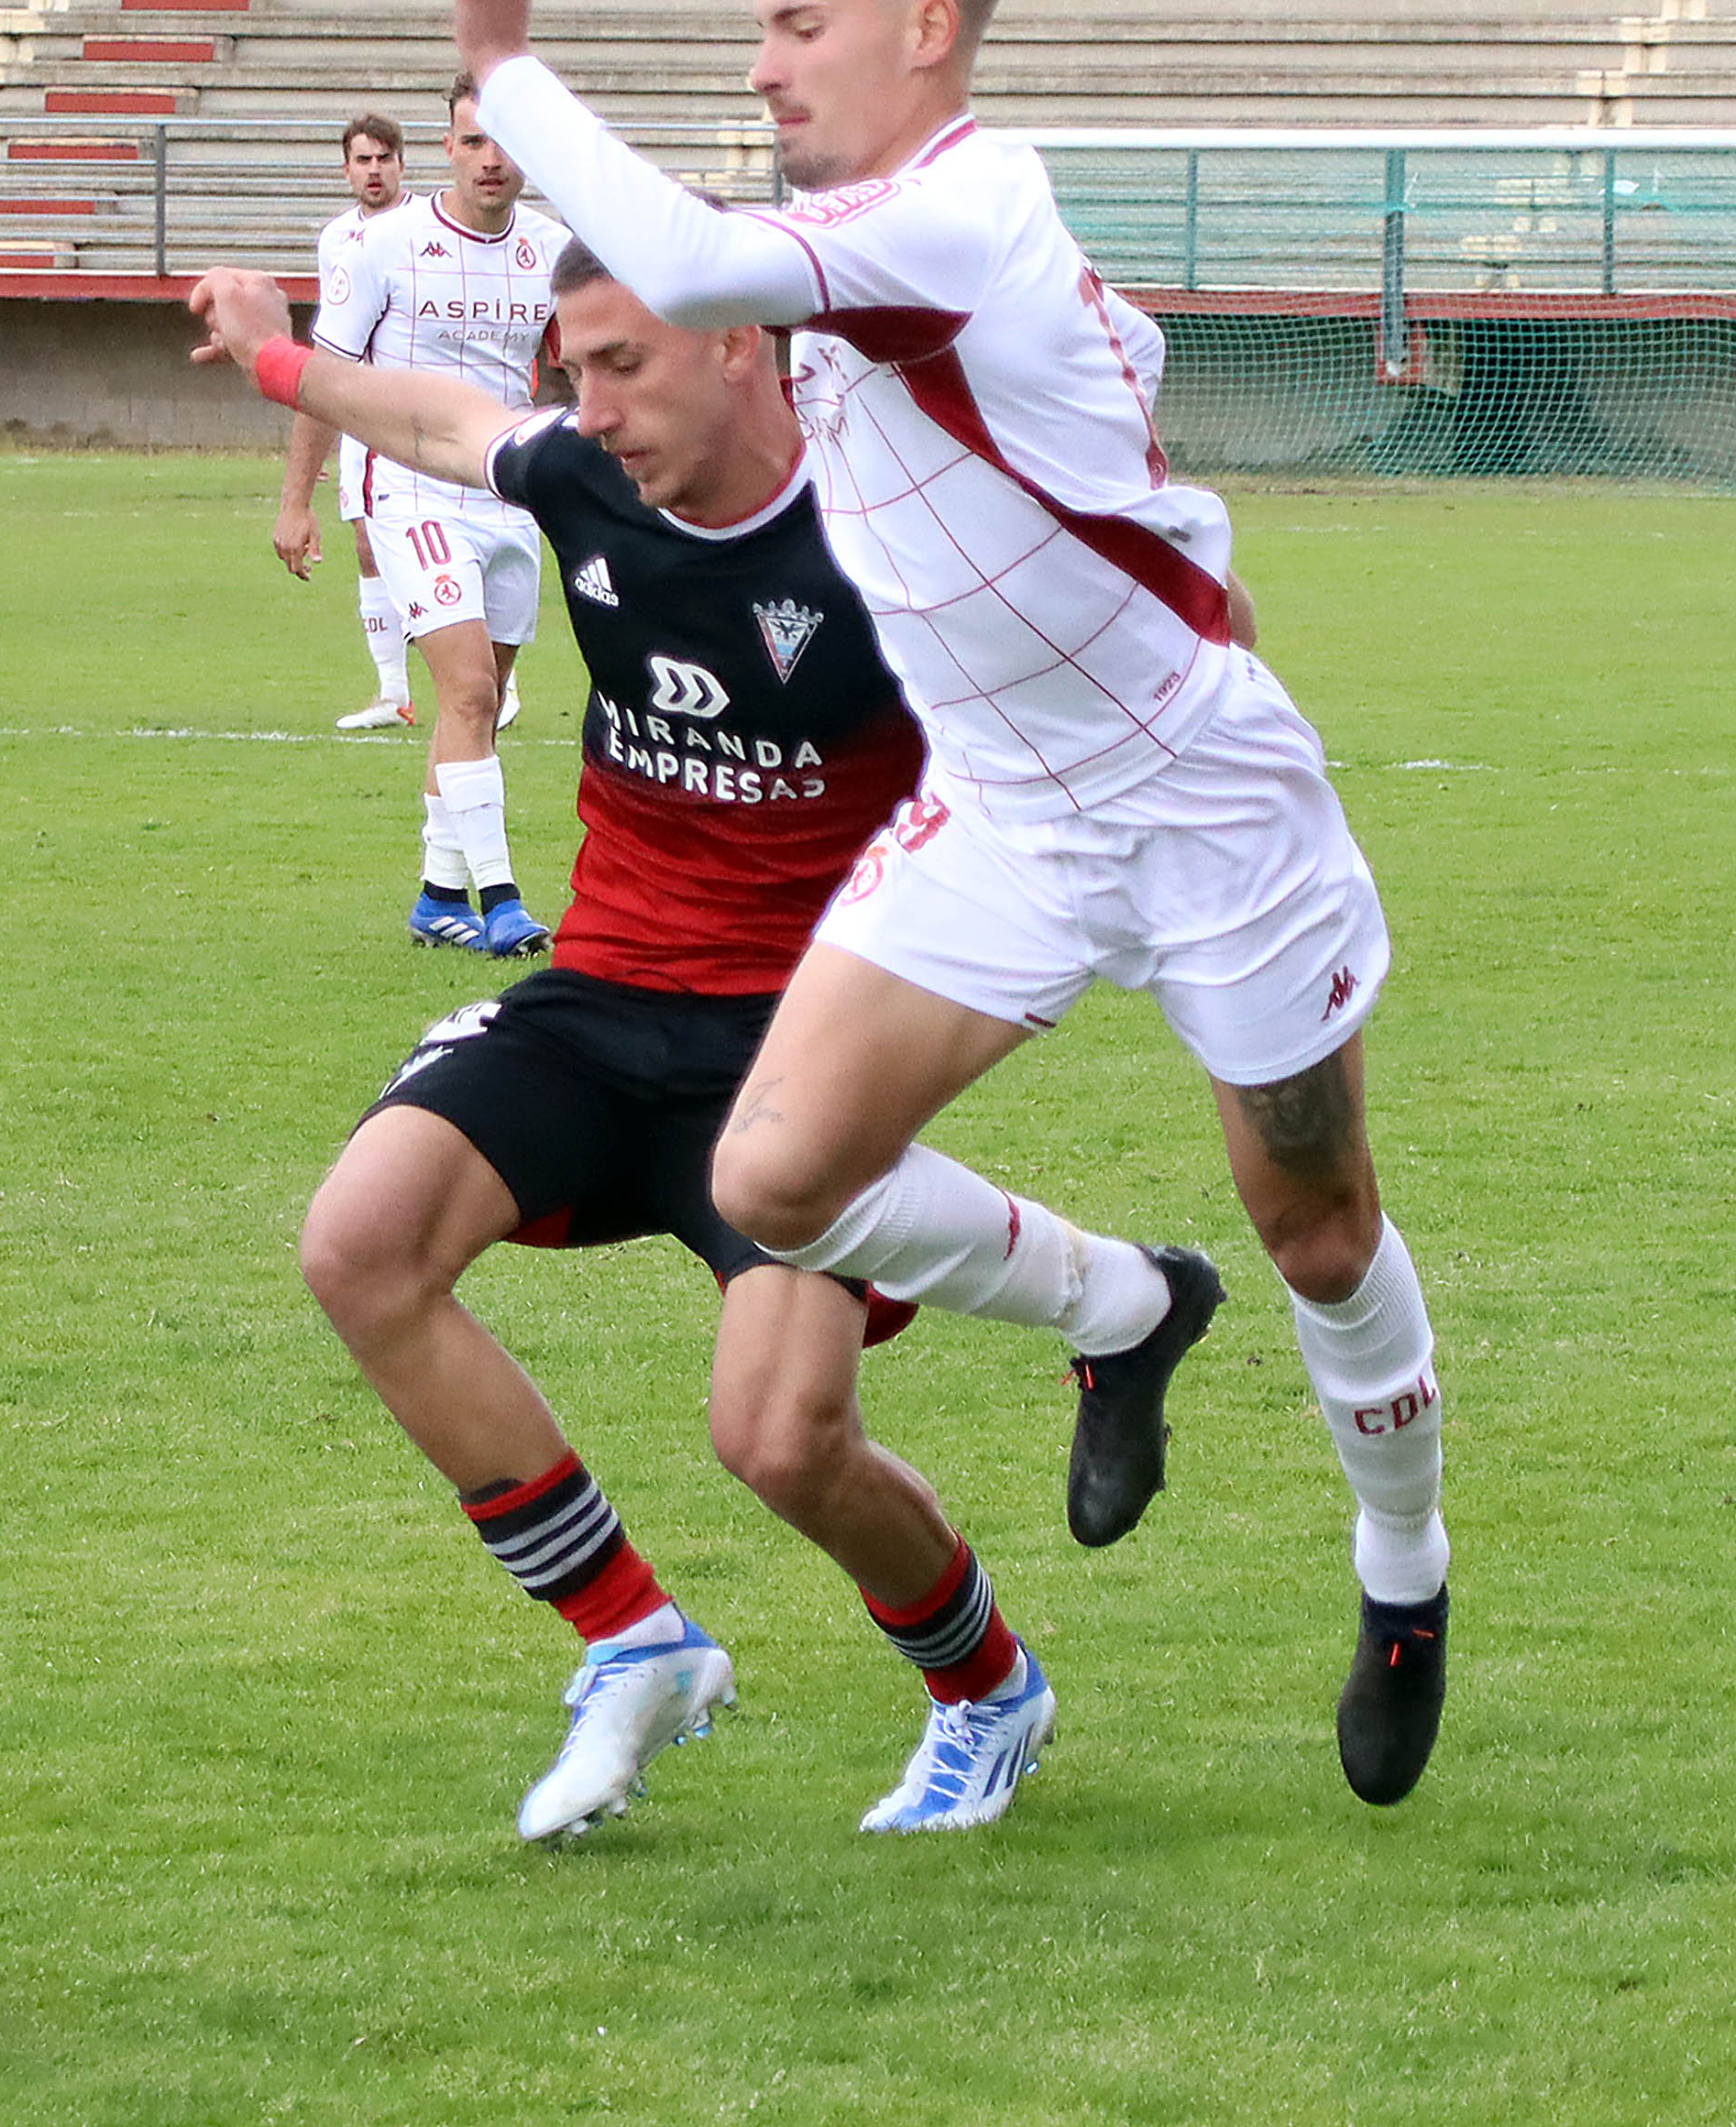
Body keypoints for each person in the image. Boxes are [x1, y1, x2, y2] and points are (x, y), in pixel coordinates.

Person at [417, 0, 1453, 1804]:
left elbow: (710, 264)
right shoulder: (887, 228)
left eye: (796, 24)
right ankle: (1124, 1308)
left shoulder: (965, 206)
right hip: (1004, 805)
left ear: (929, 23)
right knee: (779, 1177)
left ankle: (1402, 1565)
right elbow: (735, 314)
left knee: (1317, 1223)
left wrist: (509, 61)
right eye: (756, 26)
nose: (764, 65)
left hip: (1200, 793)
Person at [193, 239, 1192, 1838]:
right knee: (357, 1244)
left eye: (619, 366)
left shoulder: (896, 537)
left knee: (778, 1440)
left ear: (741, 349)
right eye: (570, 367)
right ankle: (630, 1641)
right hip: (597, 998)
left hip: (801, 1050)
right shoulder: (586, 479)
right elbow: (450, 424)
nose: (583, 410)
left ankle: (985, 1689)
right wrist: (272, 358)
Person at [292, 77, 567, 959]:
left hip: (508, 497)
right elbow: (321, 376)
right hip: (408, 489)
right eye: (475, 140)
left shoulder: (553, 254)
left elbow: (585, 369)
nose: (492, 158)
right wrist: (297, 500)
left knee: (473, 710)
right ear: (447, 148)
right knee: (471, 690)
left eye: (507, 143)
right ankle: (502, 900)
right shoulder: (387, 247)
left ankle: (436, 894)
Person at [277, 115, 414, 730]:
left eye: (384, 158)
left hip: (417, 403)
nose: (375, 170)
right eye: (363, 160)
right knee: (366, 544)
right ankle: (394, 693)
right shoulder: (336, 239)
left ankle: (502, 680)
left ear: (402, 163)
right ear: (347, 169)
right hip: (358, 406)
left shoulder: (424, 227)